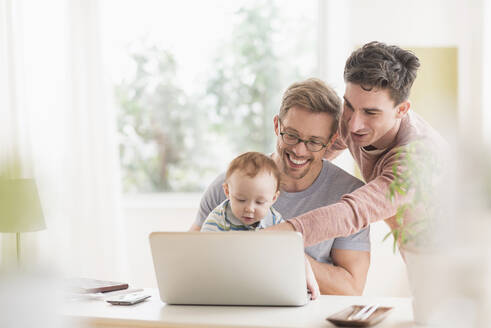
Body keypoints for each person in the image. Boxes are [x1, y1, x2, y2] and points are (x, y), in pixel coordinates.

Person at [190, 78, 371, 296]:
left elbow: (351, 288)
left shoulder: (350, 196)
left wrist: (284, 251)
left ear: (331, 141)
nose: (299, 151)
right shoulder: (230, 187)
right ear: (277, 125)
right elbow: (190, 263)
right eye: (292, 136)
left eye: (314, 142)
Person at [266, 41, 447, 253]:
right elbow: (316, 153)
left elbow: (354, 212)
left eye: (371, 113)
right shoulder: (351, 121)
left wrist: (269, 238)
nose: (352, 125)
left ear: (401, 110)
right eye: (349, 106)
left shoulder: (417, 159)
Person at [201, 152, 283, 232]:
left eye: (259, 202)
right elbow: (205, 244)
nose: (249, 209)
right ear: (227, 191)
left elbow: (287, 242)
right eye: (241, 200)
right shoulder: (218, 220)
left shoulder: (275, 220)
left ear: (273, 198)